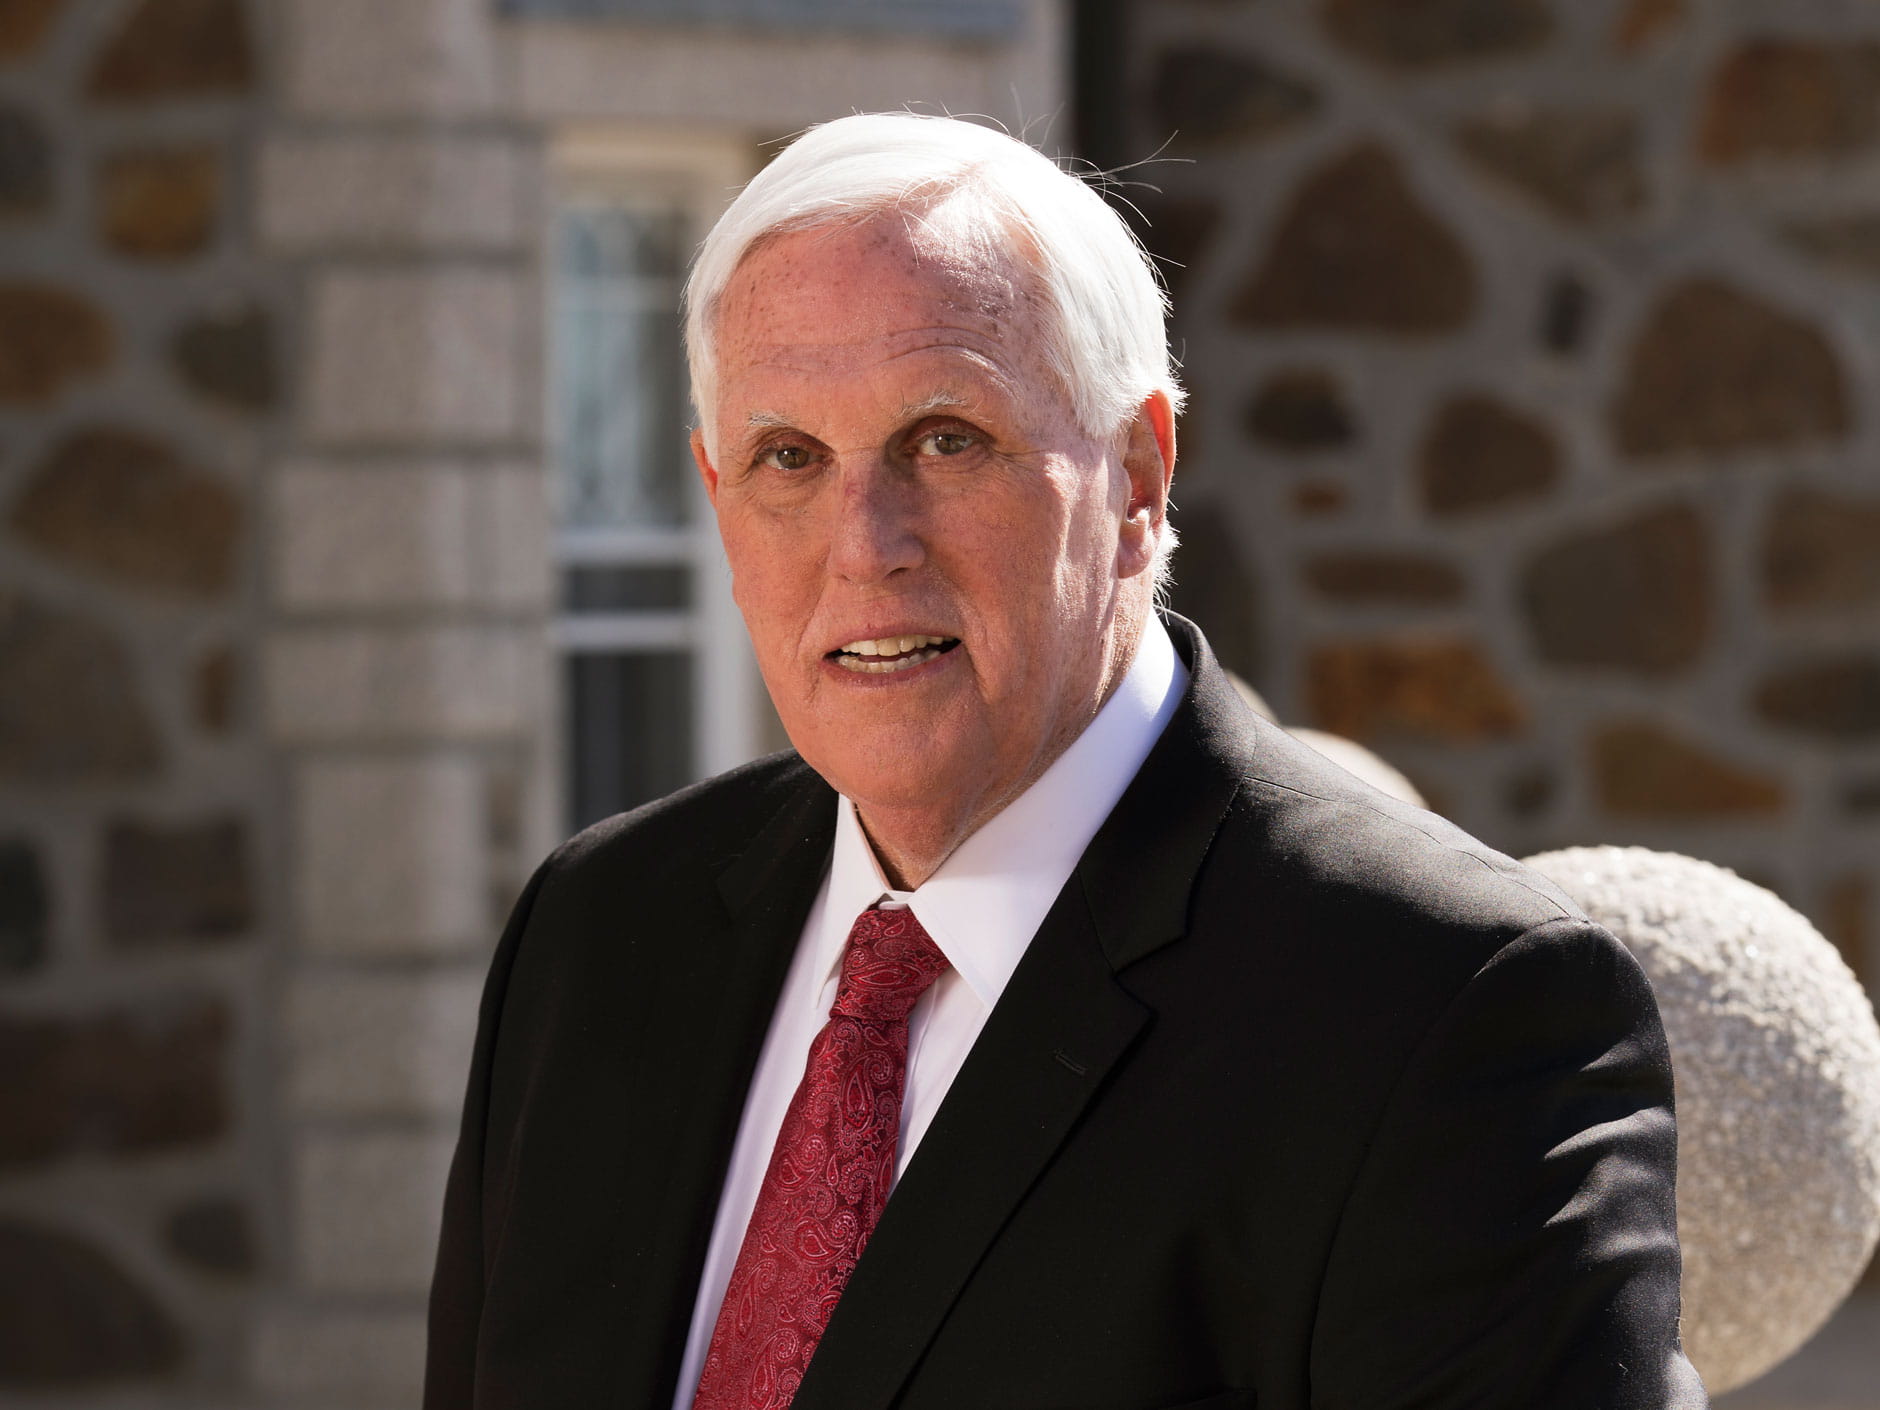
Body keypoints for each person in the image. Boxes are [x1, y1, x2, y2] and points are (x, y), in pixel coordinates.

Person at [424, 112, 1707, 1410]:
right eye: (789, 459)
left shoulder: (1445, 1008)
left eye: (946, 438)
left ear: (1141, 474)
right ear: (715, 494)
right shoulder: (595, 935)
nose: (865, 545)